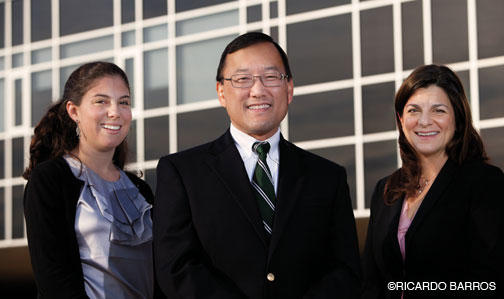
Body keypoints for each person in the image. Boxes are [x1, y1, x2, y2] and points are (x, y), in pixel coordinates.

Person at [153, 32, 361, 299]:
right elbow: (175, 267)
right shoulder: (181, 172)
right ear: (221, 92)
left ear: (289, 89)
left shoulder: (327, 177)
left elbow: (344, 270)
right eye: (242, 79)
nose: (258, 89)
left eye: (271, 77)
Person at [361, 64, 504, 298]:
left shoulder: (484, 184)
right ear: (400, 118)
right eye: (413, 110)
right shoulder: (386, 190)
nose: (424, 121)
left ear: (457, 118)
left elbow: (489, 281)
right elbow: (371, 280)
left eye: (438, 110)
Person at [24, 62, 157, 299]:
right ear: (74, 111)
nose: (115, 111)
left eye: (124, 102)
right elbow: (54, 281)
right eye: (101, 101)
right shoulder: (52, 179)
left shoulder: (140, 190)